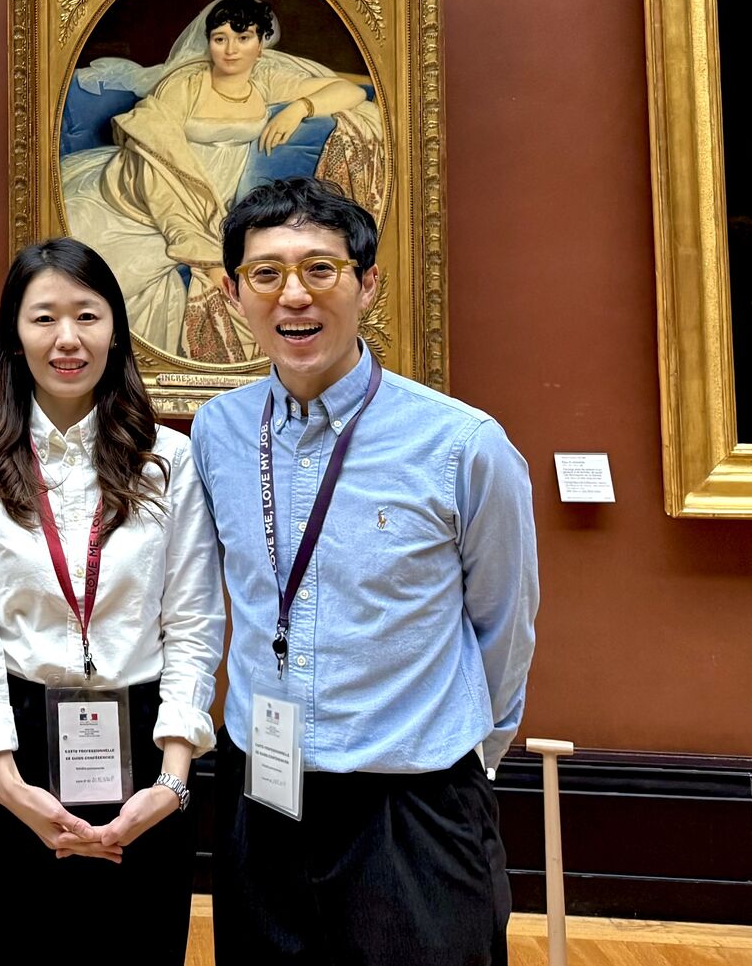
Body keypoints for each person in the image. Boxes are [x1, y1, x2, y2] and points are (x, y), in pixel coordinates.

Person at [193, 176, 539, 965]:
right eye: (266, 272)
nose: (295, 295)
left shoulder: (461, 444)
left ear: (368, 283)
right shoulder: (217, 431)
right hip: (263, 792)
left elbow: (504, 623)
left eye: (321, 268)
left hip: (409, 804)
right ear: (234, 292)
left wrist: (467, 755)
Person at [0, 238, 224, 965]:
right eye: (44, 317)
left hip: (145, 748)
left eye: (87, 315)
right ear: (15, 335)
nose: (67, 338)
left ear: (116, 330)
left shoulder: (169, 459)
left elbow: (192, 622)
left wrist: (171, 780)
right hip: (12, 747)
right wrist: (5, 782)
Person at [62, 0, 385, 363]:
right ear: (209, 43)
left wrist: (300, 108)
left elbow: (349, 90)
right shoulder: (185, 85)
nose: (230, 50)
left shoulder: (265, 81)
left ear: (260, 44)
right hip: (151, 189)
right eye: (220, 39)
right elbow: (155, 161)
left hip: (212, 196)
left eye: (243, 38)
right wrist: (196, 246)